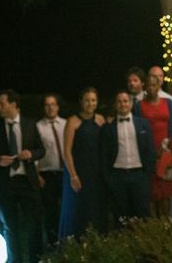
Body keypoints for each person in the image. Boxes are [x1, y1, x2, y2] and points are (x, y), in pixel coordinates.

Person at [0, 90, 45, 263]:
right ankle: (15, 260)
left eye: (2, 103)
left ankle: (35, 259)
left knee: (33, 225)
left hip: (27, 182)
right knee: (10, 227)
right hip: (4, 184)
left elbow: (41, 150)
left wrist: (31, 153)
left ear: (14, 104)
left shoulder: (29, 124)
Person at [100, 91, 155, 226]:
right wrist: (109, 178)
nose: (122, 104)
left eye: (125, 101)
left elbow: (150, 151)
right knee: (120, 217)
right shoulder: (107, 128)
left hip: (139, 176)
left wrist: (147, 174)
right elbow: (104, 156)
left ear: (130, 104)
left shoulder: (143, 124)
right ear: (115, 105)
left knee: (142, 216)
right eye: (119, 101)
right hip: (117, 177)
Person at [59, 87, 107, 240]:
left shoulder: (101, 120)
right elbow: (66, 151)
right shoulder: (72, 121)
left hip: (96, 173)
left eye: (93, 100)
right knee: (77, 210)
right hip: (78, 172)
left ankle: (96, 244)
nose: (90, 103)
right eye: (87, 100)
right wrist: (73, 176)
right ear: (81, 102)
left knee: (96, 210)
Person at [134, 74, 172, 217]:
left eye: (154, 85)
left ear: (159, 86)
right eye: (148, 85)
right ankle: (152, 229)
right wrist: (151, 152)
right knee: (151, 194)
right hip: (147, 154)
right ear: (144, 88)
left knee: (165, 193)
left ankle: (165, 230)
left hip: (165, 153)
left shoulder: (169, 103)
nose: (151, 88)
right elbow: (138, 129)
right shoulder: (138, 105)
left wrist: (168, 147)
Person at [36, 93, 66, 248]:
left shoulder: (66, 124)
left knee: (67, 209)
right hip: (48, 175)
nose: (50, 107)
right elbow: (35, 152)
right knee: (51, 211)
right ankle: (53, 243)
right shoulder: (38, 127)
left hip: (65, 174)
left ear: (58, 107)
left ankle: (69, 239)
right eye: (47, 105)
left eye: (53, 104)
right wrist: (37, 174)